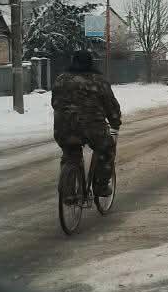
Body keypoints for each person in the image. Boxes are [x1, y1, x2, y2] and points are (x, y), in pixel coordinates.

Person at [52, 50, 121, 196]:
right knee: (106, 150)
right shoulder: (98, 80)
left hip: (64, 127)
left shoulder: (61, 79)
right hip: (92, 127)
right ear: (91, 62)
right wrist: (115, 121)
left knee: (70, 154)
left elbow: (55, 102)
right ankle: (101, 186)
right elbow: (110, 104)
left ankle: (68, 192)